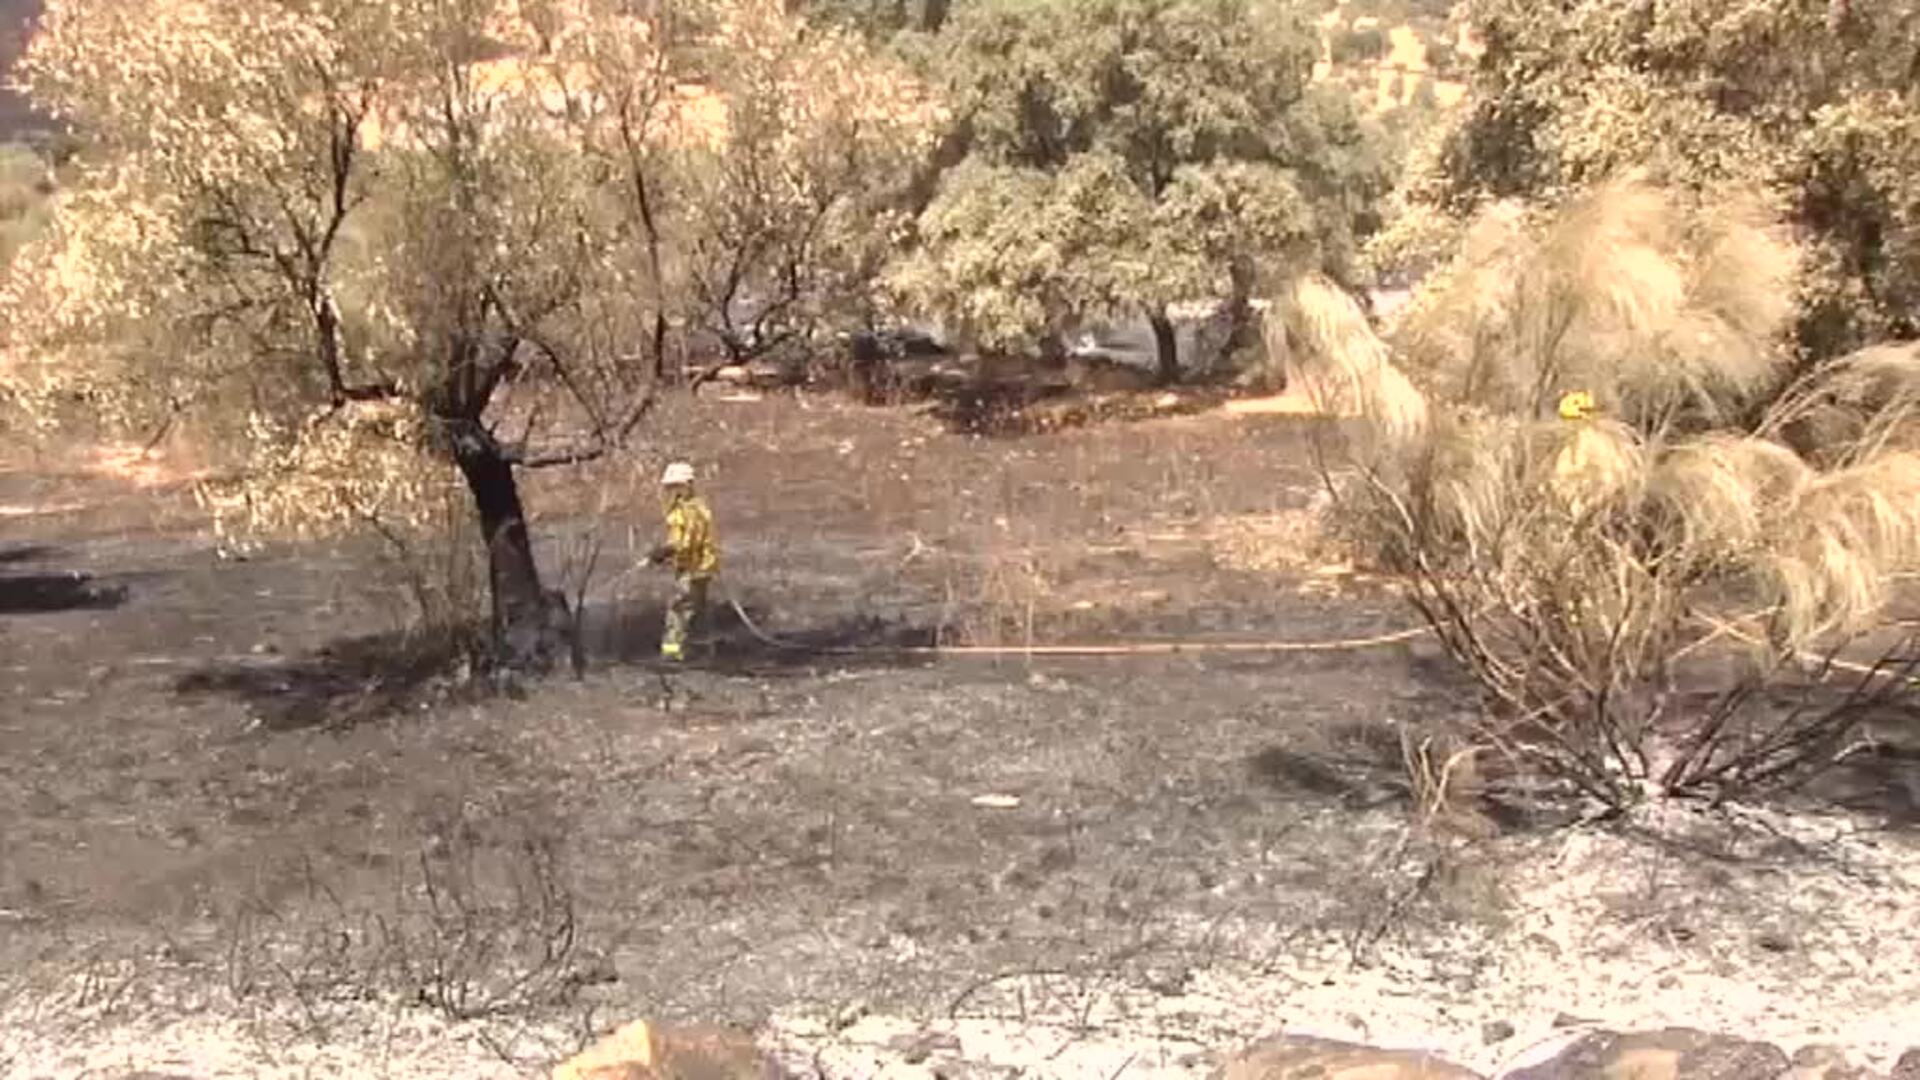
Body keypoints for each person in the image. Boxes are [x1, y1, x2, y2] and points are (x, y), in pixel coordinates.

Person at [646, 460, 719, 662]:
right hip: (701, 566)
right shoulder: (695, 506)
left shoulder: (688, 511)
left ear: (686, 484)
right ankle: (703, 648)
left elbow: (685, 542)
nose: (670, 491)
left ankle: (672, 651)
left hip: (693, 567)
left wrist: (664, 552)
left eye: (674, 486)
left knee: (679, 608)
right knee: (697, 608)